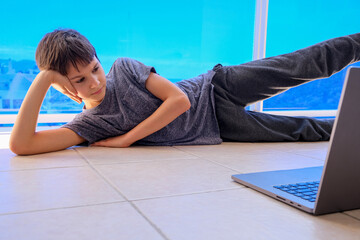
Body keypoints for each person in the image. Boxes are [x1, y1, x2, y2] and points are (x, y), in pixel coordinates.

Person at [9, 29, 360, 155]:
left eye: (94, 69)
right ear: (62, 85)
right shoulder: (89, 124)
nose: (95, 82)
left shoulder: (124, 69)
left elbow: (180, 100)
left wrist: (126, 139)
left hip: (216, 88)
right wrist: (42, 79)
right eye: (80, 80)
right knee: (307, 133)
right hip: (219, 129)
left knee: (305, 63)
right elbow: (22, 145)